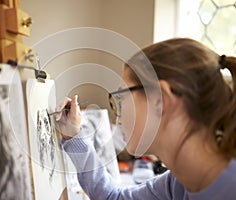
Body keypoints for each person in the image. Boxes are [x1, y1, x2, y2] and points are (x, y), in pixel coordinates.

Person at [55, 38, 236, 199]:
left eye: (122, 99)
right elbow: (111, 196)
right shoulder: (178, 183)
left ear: (160, 100)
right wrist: (73, 135)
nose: (118, 119)